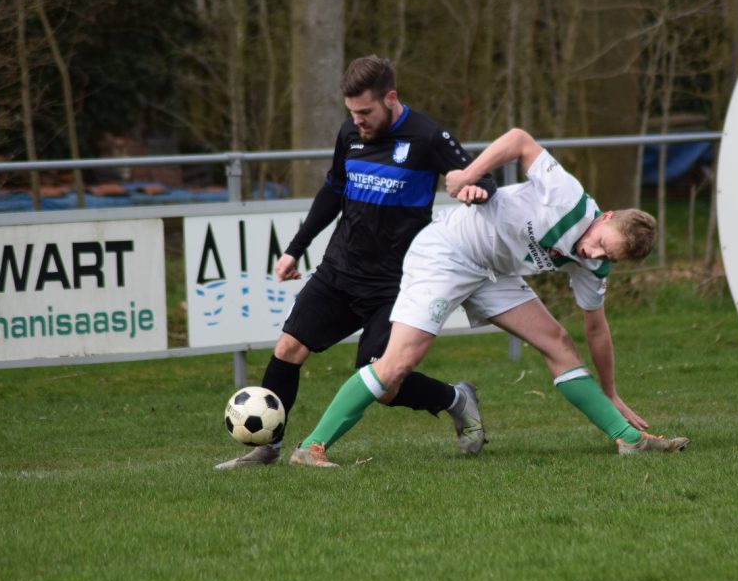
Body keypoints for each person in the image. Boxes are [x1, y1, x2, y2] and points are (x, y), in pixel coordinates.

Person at [289, 127, 690, 468]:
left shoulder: (593, 266)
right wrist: (468, 174)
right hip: (446, 253)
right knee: (397, 365)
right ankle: (312, 447)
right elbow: (519, 139)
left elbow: (596, 329)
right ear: (605, 217)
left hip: (490, 273)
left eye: (609, 256)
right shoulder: (568, 198)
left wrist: (610, 391)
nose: (594, 254)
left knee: (559, 344)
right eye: (602, 244)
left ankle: (628, 439)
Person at [215, 56, 498, 469]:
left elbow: (482, 179)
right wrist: (295, 248)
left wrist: (477, 191)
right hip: (339, 270)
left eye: (366, 112)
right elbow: (332, 192)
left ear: (391, 98)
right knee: (288, 347)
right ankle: (268, 447)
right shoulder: (350, 133)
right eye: (351, 113)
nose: (358, 121)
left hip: (395, 283)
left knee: (381, 382)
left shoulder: (427, 136)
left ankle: (456, 398)